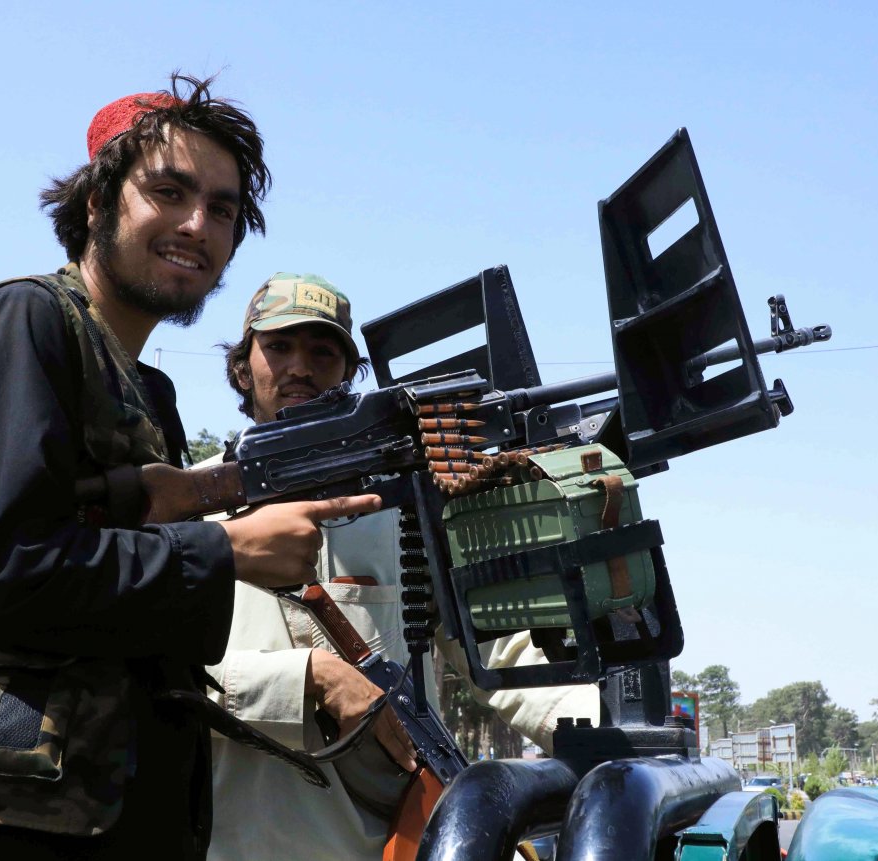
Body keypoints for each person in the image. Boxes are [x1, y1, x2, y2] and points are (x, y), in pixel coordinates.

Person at [0, 76, 378, 861]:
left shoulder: (146, 392)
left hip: (81, 817)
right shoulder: (23, 322)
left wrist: (197, 494)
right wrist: (227, 548)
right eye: (169, 191)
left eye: (221, 209)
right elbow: (11, 570)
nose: (196, 224)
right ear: (96, 201)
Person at [203, 273, 601, 860]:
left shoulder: (398, 511)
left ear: (349, 376)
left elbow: (500, 654)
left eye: (323, 351)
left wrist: (613, 739)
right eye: (279, 347)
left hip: (377, 842)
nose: (301, 367)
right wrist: (307, 680)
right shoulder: (193, 512)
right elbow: (152, 678)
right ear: (242, 369)